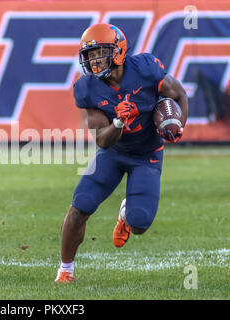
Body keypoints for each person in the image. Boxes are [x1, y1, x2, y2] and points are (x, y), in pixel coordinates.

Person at [55, 23, 188, 282]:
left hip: (147, 155)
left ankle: (126, 213)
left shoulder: (146, 70)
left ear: (117, 52)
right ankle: (65, 270)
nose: (93, 61)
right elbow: (102, 141)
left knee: (139, 223)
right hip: (113, 153)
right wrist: (118, 122)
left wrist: (178, 123)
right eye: (89, 55)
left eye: (99, 53)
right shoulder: (88, 88)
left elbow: (180, 94)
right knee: (80, 206)